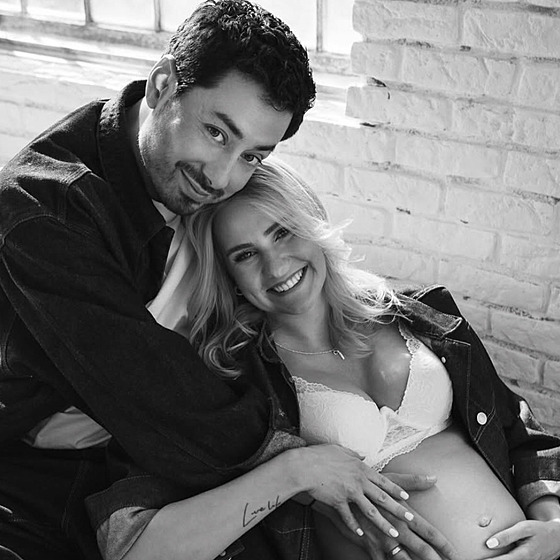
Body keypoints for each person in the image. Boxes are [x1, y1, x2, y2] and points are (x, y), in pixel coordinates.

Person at [0, 1, 322, 559]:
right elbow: (143, 379)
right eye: (217, 133)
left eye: (253, 156)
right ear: (162, 85)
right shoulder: (45, 211)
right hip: (31, 475)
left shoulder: (198, 188)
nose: (222, 177)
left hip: (138, 463)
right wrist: (297, 462)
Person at [175, 158, 560, 560]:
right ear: (227, 273)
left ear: (311, 223)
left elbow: (518, 427)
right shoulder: (241, 380)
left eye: (283, 232)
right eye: (245, 255)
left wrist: (552, 527)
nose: (276, 266)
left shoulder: (424, 317)